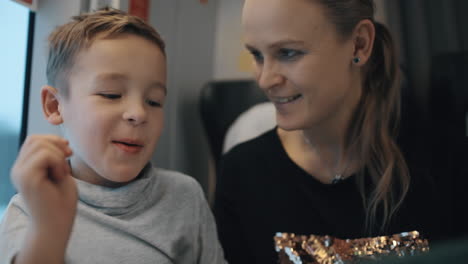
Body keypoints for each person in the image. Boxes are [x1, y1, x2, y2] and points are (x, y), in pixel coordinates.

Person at [214, 0, 452, 263]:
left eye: (288, 53)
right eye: (257, 55)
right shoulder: (242, 173)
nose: (265, 80)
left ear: (359, 44)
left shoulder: (437, 160)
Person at [0, 8, 226, 264]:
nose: (138, 113)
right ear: (54, 105)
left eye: (154, 101)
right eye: (111, 94)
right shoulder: (30, 210)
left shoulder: (185, 196)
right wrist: (49, 227)